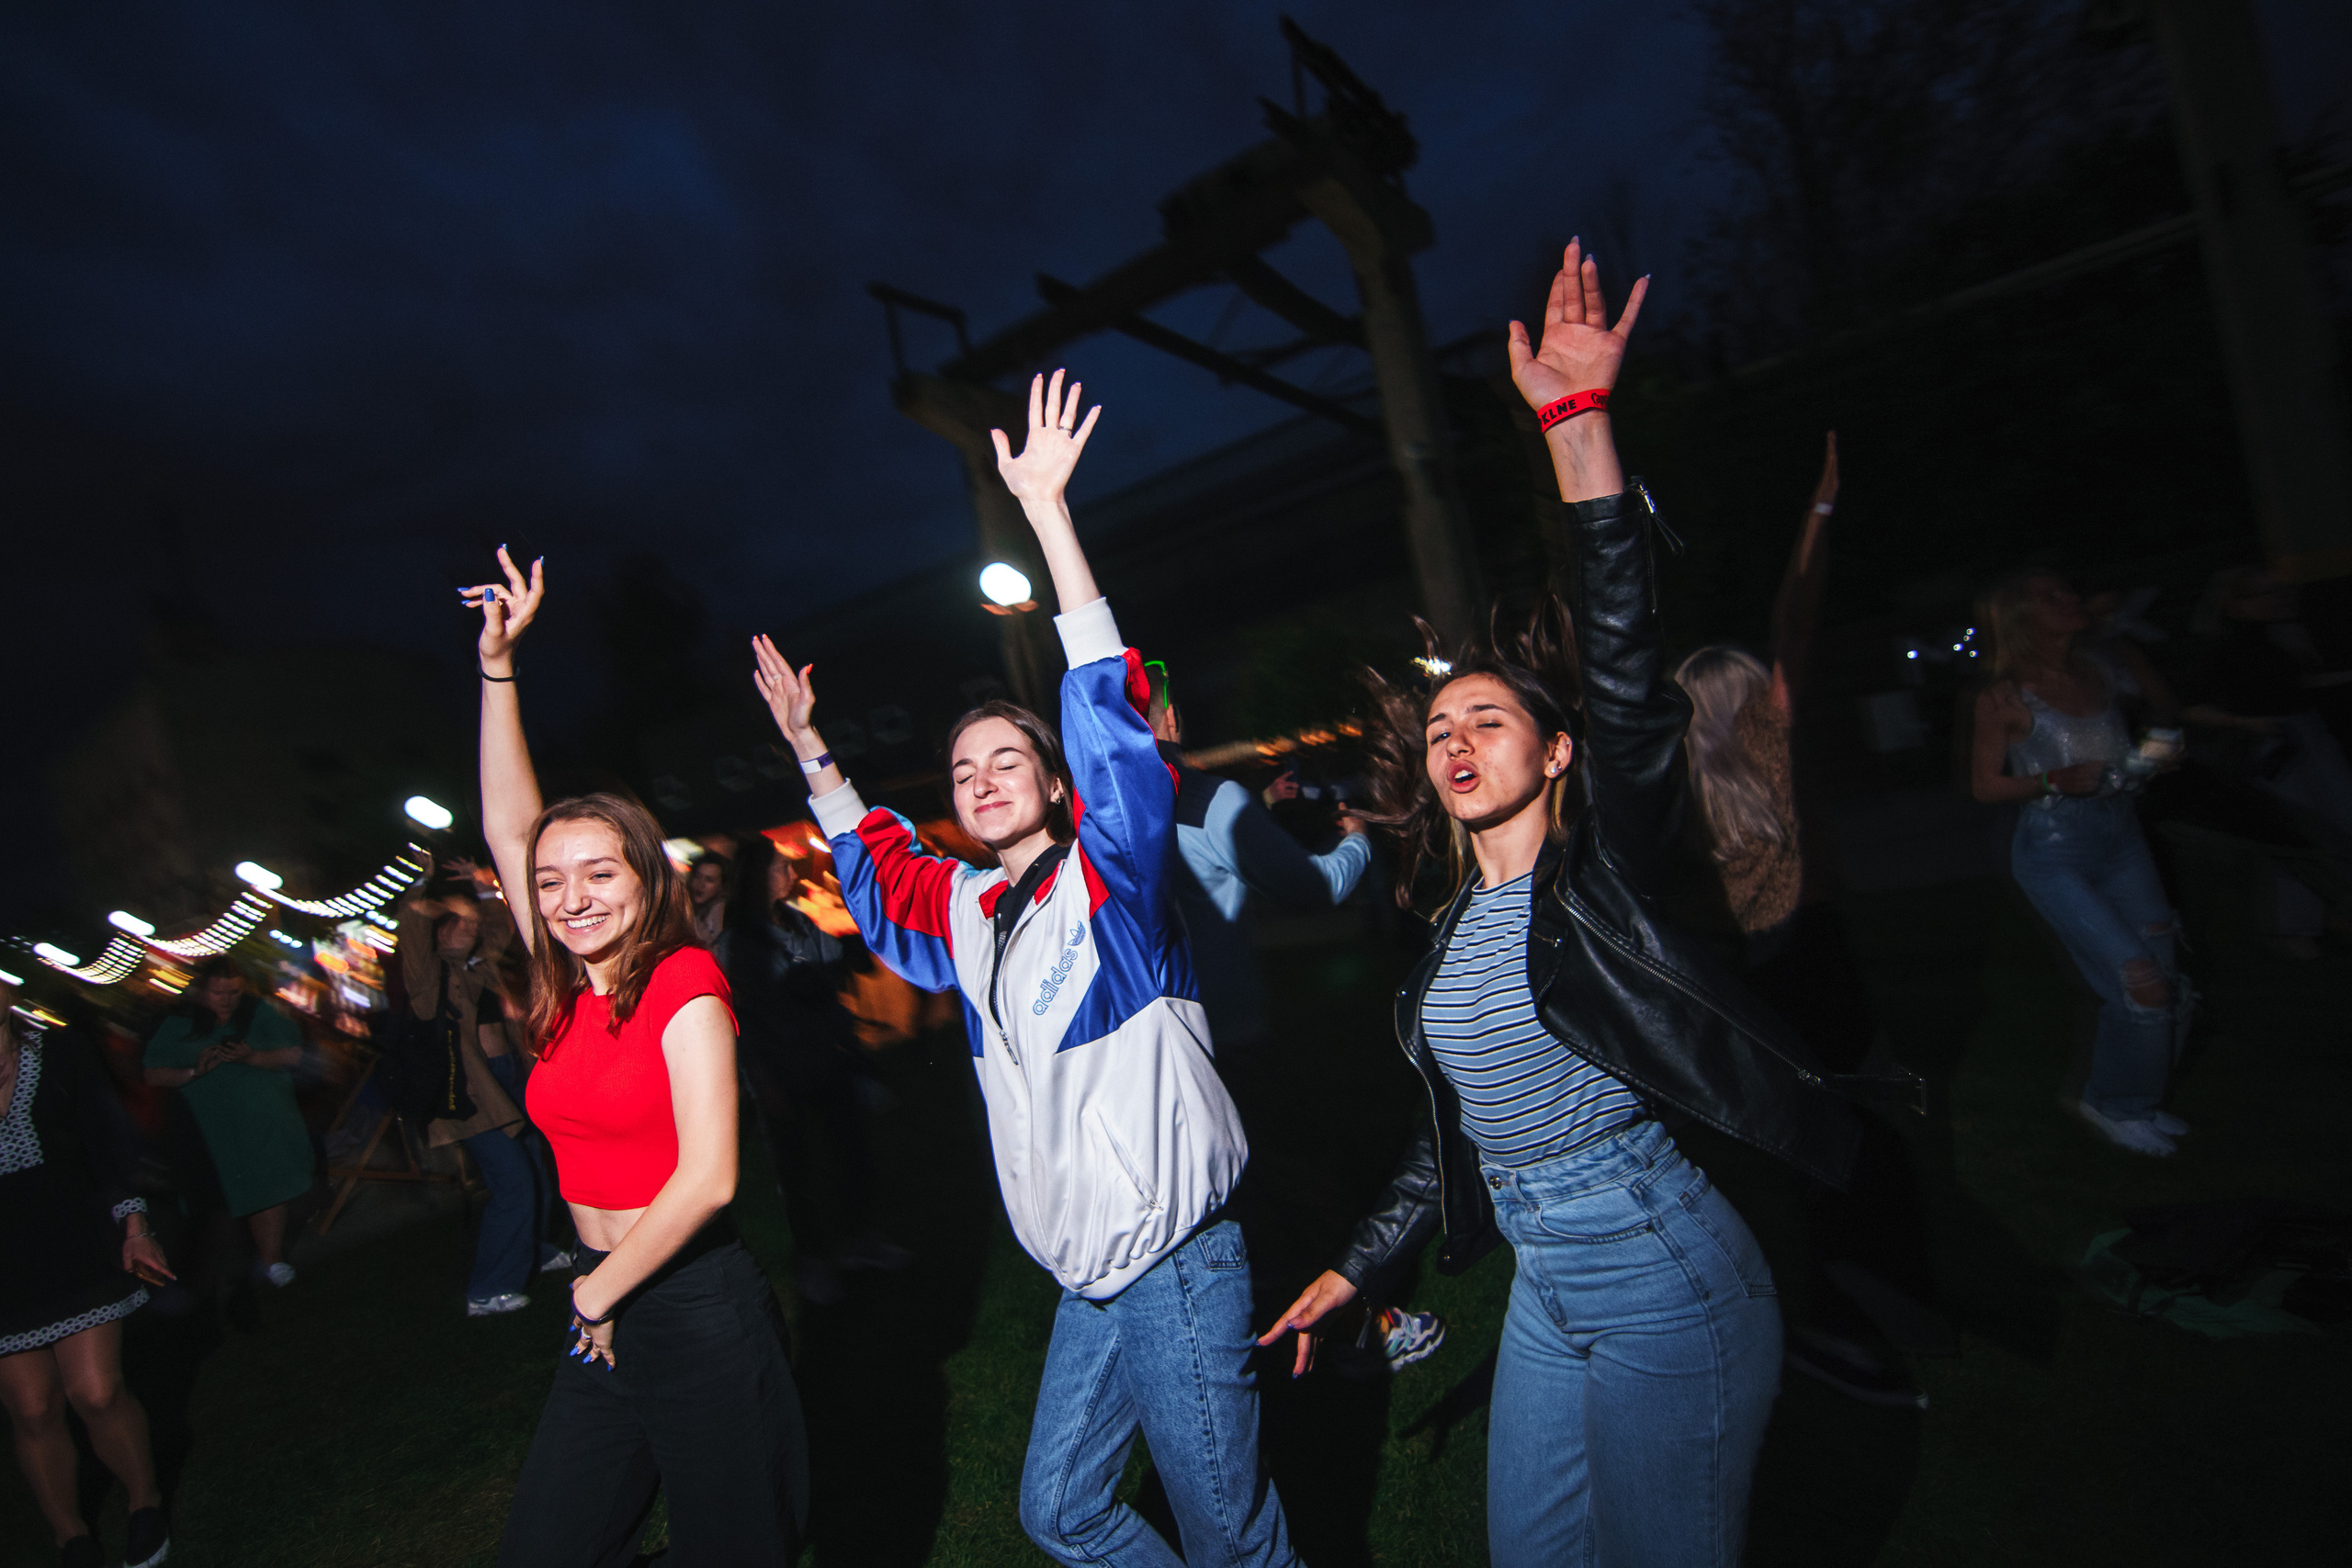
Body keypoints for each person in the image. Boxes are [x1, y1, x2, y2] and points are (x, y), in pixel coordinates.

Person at [1258, 242, 1860, 1568]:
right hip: (1542, 1280)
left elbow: (1634, 666)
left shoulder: (1609, 878)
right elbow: (1451, 1136)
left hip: (1659, 1270)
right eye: (1438, 729)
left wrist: (1579, 429)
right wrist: (1362, 1262)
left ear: (1559, 751)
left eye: (1488, 716)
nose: (1455, 738)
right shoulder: (1447, 936)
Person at [755, 369, 1299, 1568]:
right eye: (962, 769)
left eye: (1009, 758)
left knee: (1234, 1541)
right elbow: (883, 875)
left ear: (1054, 784)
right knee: (1060, 1508)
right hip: (1089, 1279)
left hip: (1169, 1257)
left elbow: (1114, 739)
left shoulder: (1111, 878)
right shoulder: (968, 905)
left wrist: (1049, 515)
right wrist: (812, 750)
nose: (983, 776)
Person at [461, 547, 808, 1565]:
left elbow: (708, 1179)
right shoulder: (563, 985)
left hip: (690, 1305)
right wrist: (497, 666)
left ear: (643, 875)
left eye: (598, 872)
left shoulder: (683, 985)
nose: (572, 897)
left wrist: (596, 1296)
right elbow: (504, 820)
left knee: (736, 1548)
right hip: (601, 1297)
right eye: (553, 880)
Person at [1672, 435, 1942, 1411]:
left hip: (1781, 966)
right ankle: (1845, 1328)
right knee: (1848, 1148)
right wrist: (1816, 517)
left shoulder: (1725, 772)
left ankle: (1850, 1317)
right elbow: (1796, 619)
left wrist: (1819, 518)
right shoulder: (1723, 777)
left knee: (1845, 1142)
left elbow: (1795, 621)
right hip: (1788, 964)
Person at [1141, 671, 1446, 1371]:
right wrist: (1363, 839)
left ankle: (1245, 1342)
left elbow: (1204, 869)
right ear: (1174, 719)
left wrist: (1262, 814)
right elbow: (1314, 885)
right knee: (1297, 1183)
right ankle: (1375, 1319)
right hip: (1230, 1042)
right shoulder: (1209, 800)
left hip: (1155, 1051)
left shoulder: (1110, 813)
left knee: (1221, 1204)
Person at [1971, 570, 2191, 1156]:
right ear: (2021, 618)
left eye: (2067, 589)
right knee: (2140, 985)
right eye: (2051, 596)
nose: (2071, 598)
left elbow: (2127, 753)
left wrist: (2156, 755)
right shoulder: (2006, 696)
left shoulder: (2099, 670)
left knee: (2167, 983)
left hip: (2122, 840)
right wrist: (2049, 779)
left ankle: (2134, 1102)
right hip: (2054, 853)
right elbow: (1985, 786)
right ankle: (2116, 1107)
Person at [0, 974, 175, 1568]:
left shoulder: (61, 1050)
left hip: (76, 1243)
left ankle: (144, 1501)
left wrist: (135, 1223)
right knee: (32, 1409)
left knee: (97, 1393)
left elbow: (108, 1143)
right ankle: (70, 1534)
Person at [714, 832, 909, 1305]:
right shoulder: (738, 942)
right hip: (783, 1072)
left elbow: (846, 961)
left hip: (829, 1059)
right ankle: (814, 1260)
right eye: (779, 867)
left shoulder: (799, 922)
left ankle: (861, 1241)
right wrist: (762, 1078)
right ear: (757, 878)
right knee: (799, 1171)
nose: (789, 873)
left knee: (851, 1154)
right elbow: (741, 1020)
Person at [393, 865, 569, 1316]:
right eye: (459, 924)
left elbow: (500, 925)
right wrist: (424, 894)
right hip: (472, 1094)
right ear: (440, 928)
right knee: (514, 1184)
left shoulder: (480, 965)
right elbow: (413, 933)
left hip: (510, 1079)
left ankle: (534, 1249)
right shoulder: (429, 977)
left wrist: (481, 887)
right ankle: (488, 1290)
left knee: (534, 1168)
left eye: (471, 925)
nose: (469, 931)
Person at [2183, 566, 2352, 958]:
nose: (2279, 601)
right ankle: (2293, 928)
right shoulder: (2223, 648)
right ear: (2235, 605)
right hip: (2268, 744)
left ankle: (2334, 913)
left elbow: (2303, 687)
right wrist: (2246, 723)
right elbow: (2191, 708)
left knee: (2339, 819)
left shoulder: (2285, 636)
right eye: (2265, 595)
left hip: (2307, 735)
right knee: (2296, 832)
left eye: (2279, 593)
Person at [142, 957, 313, 1287]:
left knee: (269, 1188)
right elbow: (153, 1074)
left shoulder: (258, 1012)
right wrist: (194, 1071)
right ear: (202, 991)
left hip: (265, 1123)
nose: (226, 999)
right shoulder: (179, 1024)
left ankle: (271, 1260)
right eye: (218, 992)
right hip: (212, 1133)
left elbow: (292, 1053)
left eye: (234, 991)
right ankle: (225, 1276)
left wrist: (252, 1057)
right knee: (221, 1202)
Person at [686, 851, 731, 947]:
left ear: (721, 886)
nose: (701, 884)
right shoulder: (686, 906)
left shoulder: (719, 911)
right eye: (697, 877)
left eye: (709, 880)